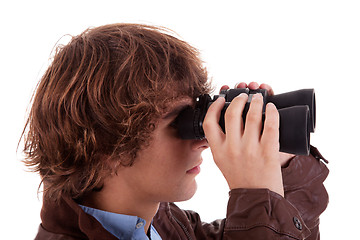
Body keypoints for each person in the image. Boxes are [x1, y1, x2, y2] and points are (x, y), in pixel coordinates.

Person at [22, 23, 329, 240]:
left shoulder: (163, 226)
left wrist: (278, 163)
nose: (203, 141)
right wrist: (256, 195)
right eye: (178, 122)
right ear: (106, 146)